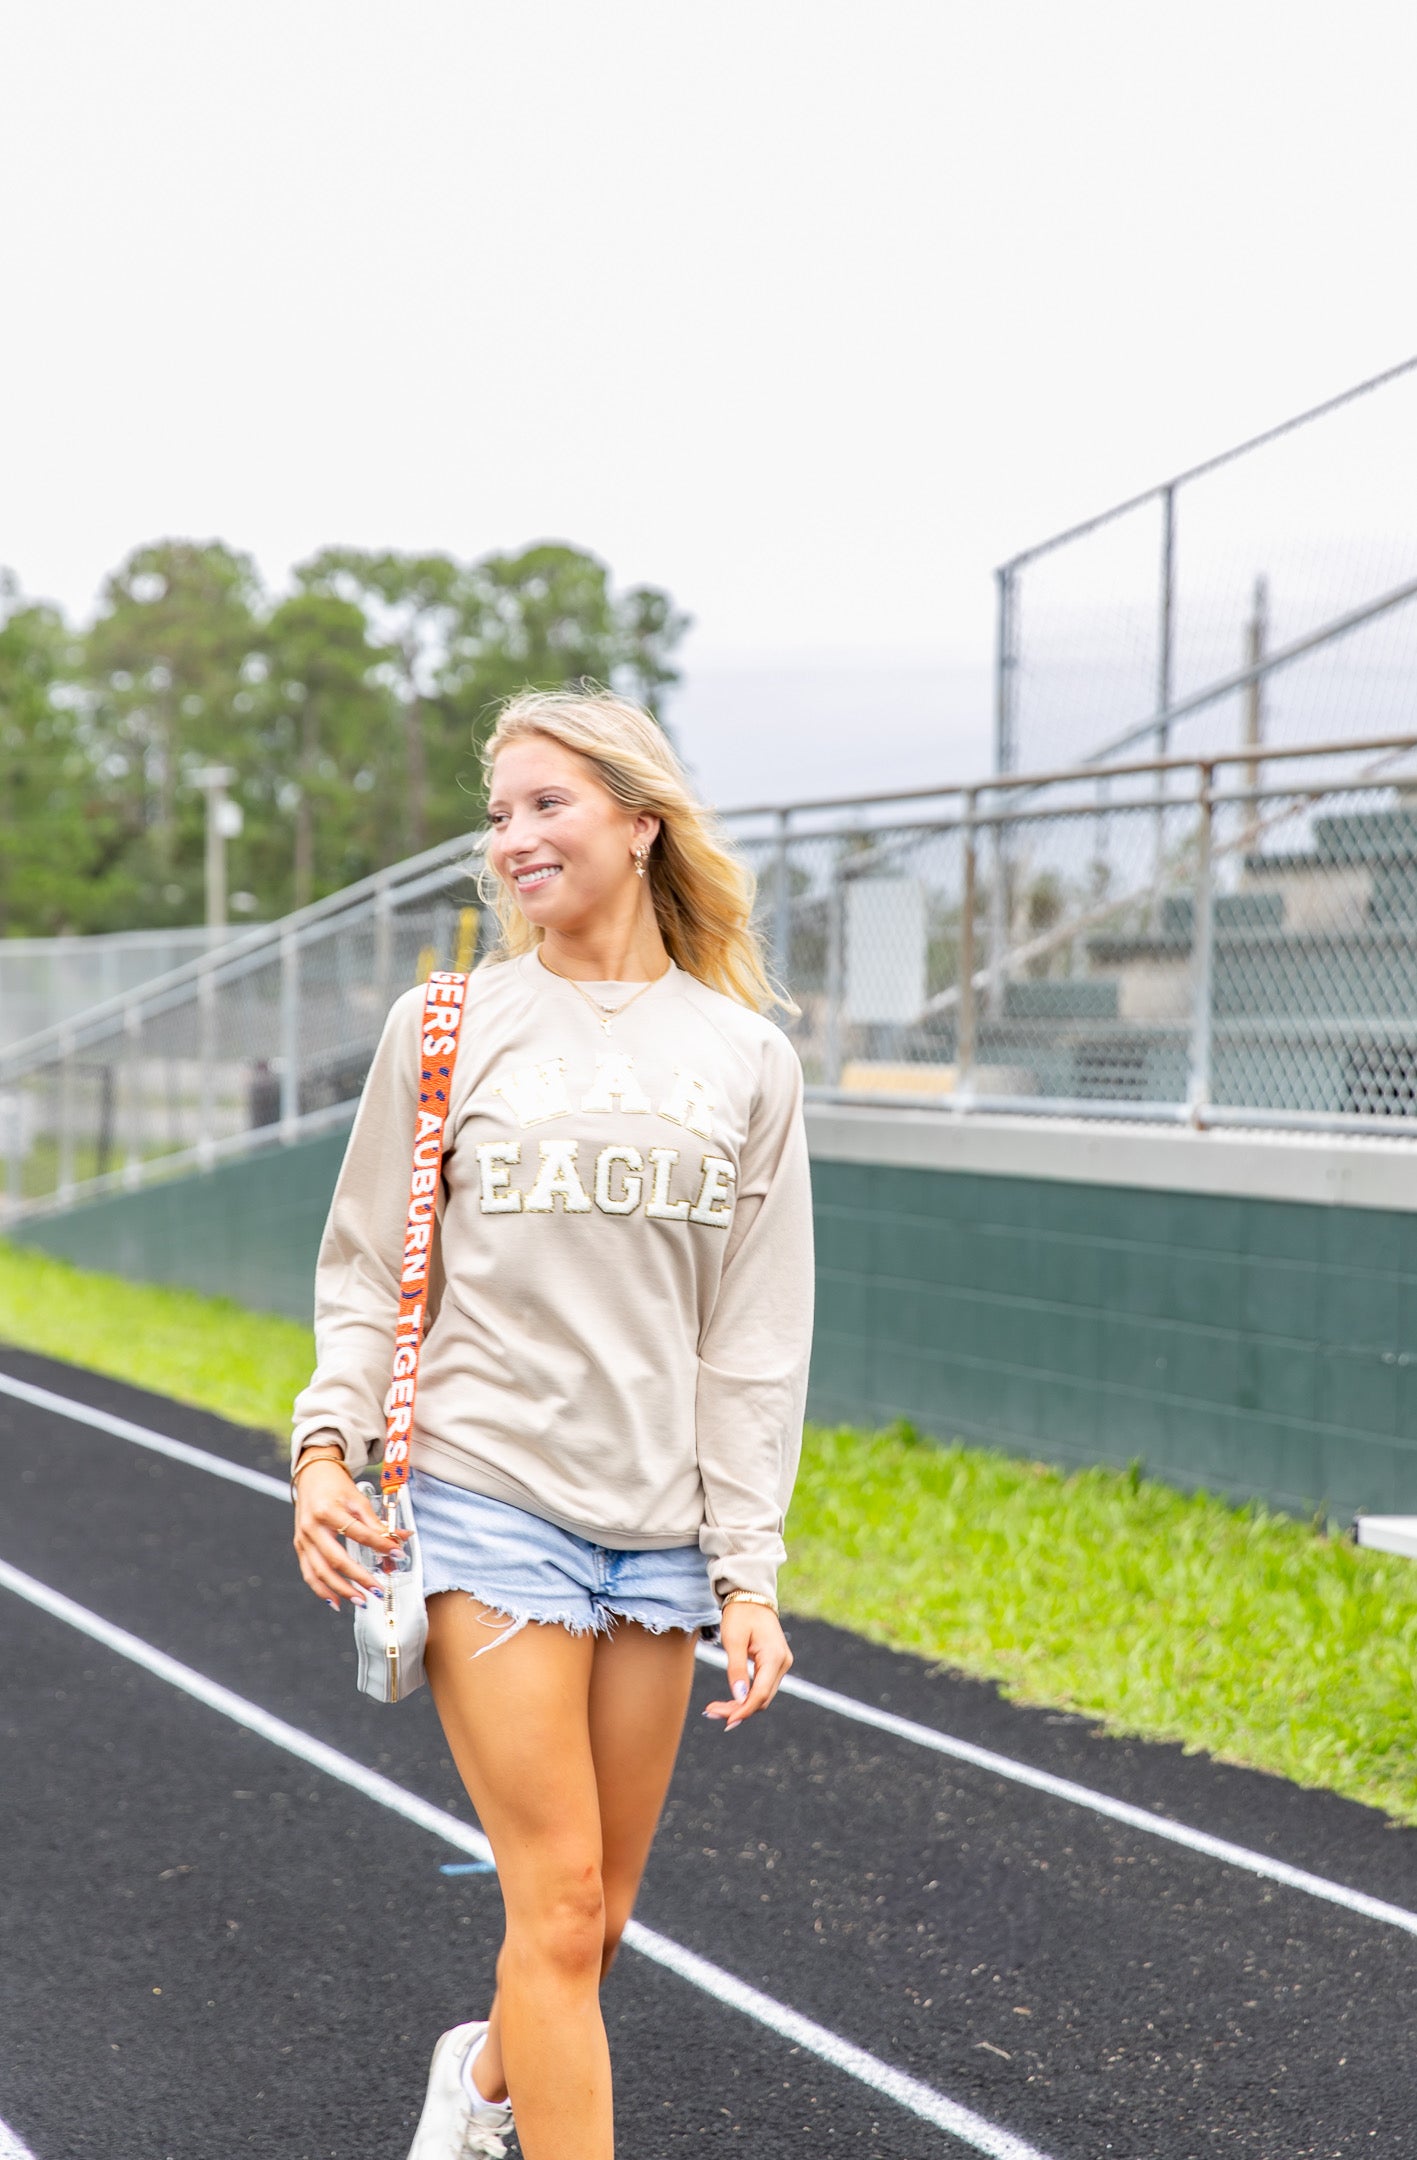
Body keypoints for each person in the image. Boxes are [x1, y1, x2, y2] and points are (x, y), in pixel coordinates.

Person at [288, 686, 816, 2160]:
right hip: (486, 1498)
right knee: (562, 1902)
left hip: (657, 1535)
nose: (513, 837)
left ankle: (480, 2087)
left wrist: (748, 1570)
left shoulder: (746, 1059)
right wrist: (324, 1449)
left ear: (640, 826)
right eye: (499, 812)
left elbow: (753, 1340)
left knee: (600, 1917)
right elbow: (365, 1265)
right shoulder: (447, 1024)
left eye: (548, 804)